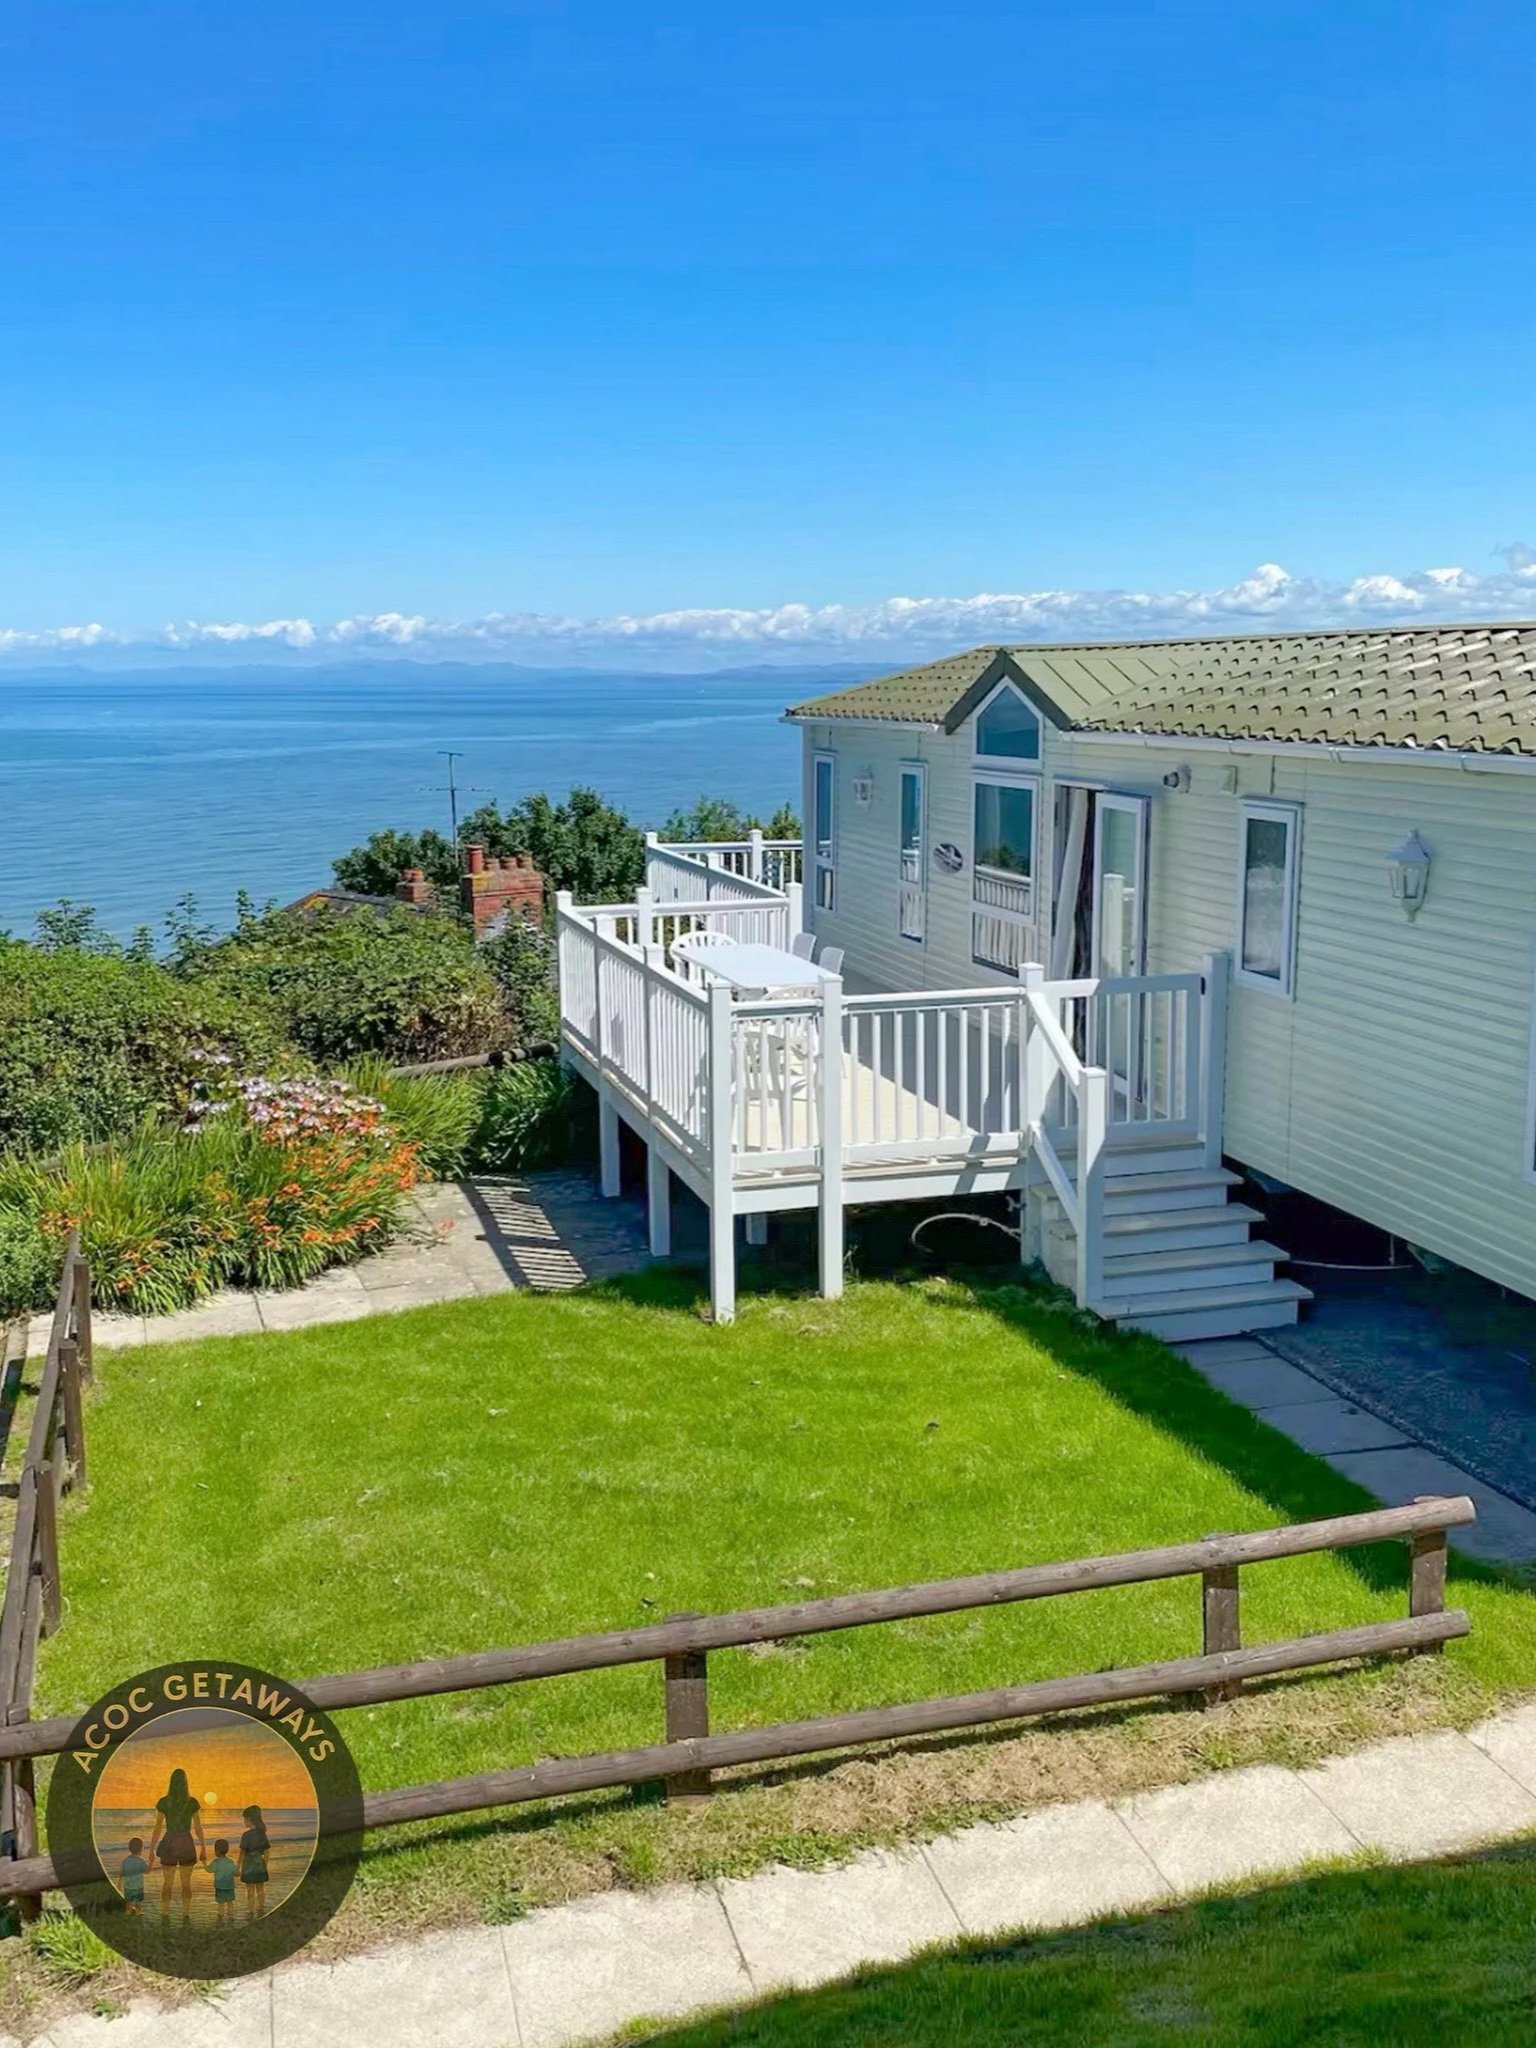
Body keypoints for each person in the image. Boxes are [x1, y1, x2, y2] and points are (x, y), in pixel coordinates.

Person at [146, 1768, 205, 1922]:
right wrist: (203, 1848)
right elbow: (198, 1827)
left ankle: (165, 1915)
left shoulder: (164, 1802)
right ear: (186, 1783)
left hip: (169, 1843)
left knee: (167, 1883)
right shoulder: (192, 1802)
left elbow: (158, 1828)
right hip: (186, 1842)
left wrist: (151, 1850)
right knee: (186, 1884)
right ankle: (185, 1916)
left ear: (171, 1783)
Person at [238, 1805, 270, 1920]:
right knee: (260, 1889)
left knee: (250, 1890)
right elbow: (266, 1852)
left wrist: (238, 1866)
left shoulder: (246, 1835)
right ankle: (261, 1908)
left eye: (244, 1819)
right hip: (259, 1863)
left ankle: (250, 1910)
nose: (244, 1821)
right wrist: (265, 1864)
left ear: (249, 1819)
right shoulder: (262, 1833)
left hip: (248, 1865)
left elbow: (242, 1853)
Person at [207, 1838, 238, 1924]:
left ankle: (220, 1917)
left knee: (221, 1904)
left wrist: (204, 1864)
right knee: (230, 1902)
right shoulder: (230, 1862)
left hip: (220, 1887)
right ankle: (230, 1916)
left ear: (217, 1851)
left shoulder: (216, 1862)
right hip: (230, 1886)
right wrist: (238, 1871)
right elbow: (236, 1873)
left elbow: (209, 1870)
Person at [119, 1837, 148, 1916]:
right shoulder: (141, 1860)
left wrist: (119, 1884)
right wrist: (151, 1862)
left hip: (128, 1886)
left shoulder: (125, 1861)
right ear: (141, 1849)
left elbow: (121, 1873)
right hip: (138, 1886)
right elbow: (147, 1871)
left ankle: (128, 1913)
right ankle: (138, 1913)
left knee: (129, 1902)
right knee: (138, 1902)